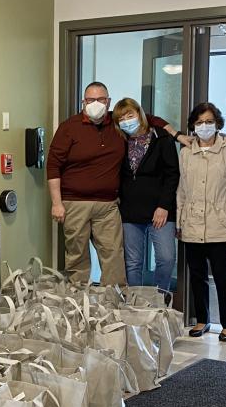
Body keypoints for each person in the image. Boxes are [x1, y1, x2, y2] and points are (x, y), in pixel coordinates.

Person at [47, 81, 174, 285]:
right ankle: (78, 306)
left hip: (108, 206)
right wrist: (56, 203)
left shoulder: (117, 124)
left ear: (108, 102)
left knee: (114, 257)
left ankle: (113, 306)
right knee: (77, 258)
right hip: (74, 204)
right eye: (90, 100)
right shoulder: (68, 127)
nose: (95, 103)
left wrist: (175, 133)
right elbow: (53, 166)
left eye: (101, 99)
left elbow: (147, 118)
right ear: (83, 102)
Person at [177, 102, 226, 341]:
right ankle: (201, 320)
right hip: (192, 223)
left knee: (223, 276)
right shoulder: (186, 152)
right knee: (197, 276)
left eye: (208, 121)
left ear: (217, 123)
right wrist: (179, 222)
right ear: (192, 126)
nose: (204, 126)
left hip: (222, 224)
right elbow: (182, 190)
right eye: (199, 123)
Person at [114, 97, 181, 291]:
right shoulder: (120, 141)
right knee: (133, 262)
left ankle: (161, 299)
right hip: (129, 211)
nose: (127, 121)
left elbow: (172, 174)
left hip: (160, 210)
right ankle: (136, 304)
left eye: (130, 115)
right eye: (122, 118)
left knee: (166, 258)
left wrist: (164, 206)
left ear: (140, 114)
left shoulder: (161, 138)